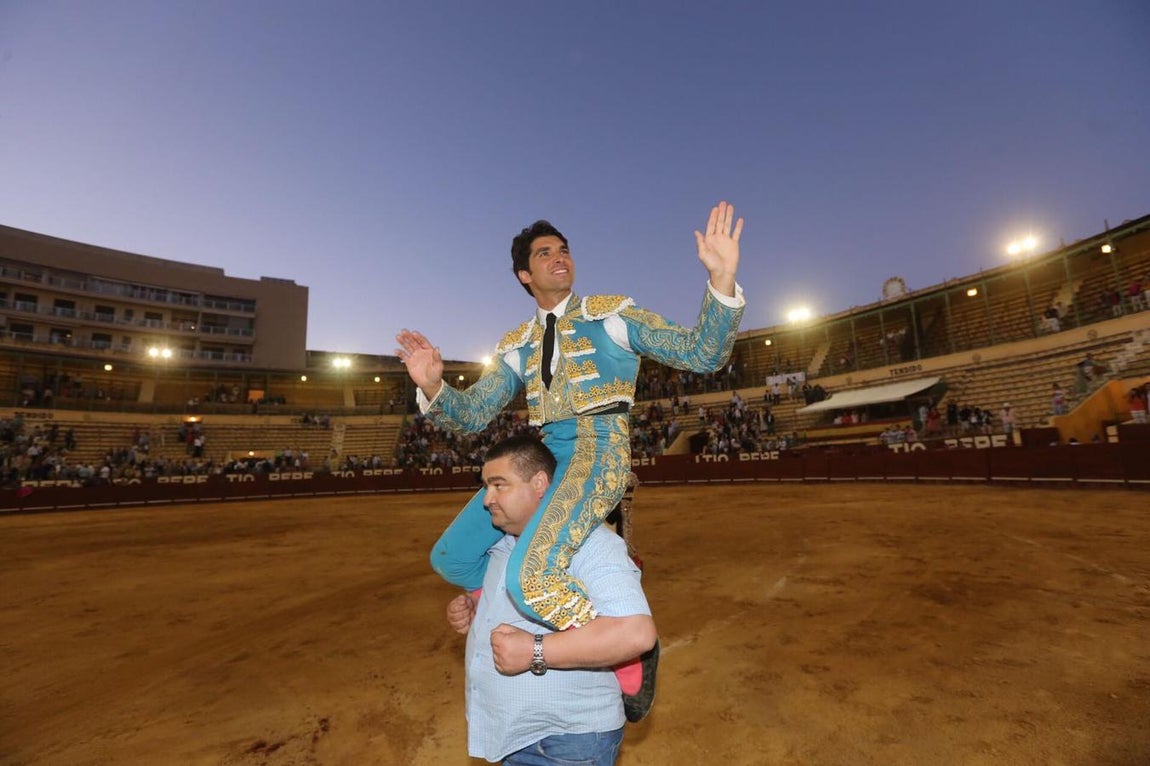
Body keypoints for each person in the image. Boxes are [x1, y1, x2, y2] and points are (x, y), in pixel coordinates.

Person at [396, 201, 744, 631]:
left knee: (533, 578)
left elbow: (703, 353)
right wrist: (433, 386)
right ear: (524, 275)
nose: (559, 257)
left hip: (600, 449)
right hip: (541, 457)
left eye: (563, 250)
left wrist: (721, 278)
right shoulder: (518, 343)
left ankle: (621, 648)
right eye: (544, 253)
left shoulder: (611, 316)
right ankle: (500, 602)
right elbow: (472, 415)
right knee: (452, 556)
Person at [445, 436, 656, 765]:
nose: (487, 499)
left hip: (566, 741)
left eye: (499, 485)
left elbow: (635, 633)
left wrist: (534, 651)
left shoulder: (591, 544)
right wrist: (479, 610)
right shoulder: (503, 545)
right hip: (517, 735)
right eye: (486, 486)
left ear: (539, 483)